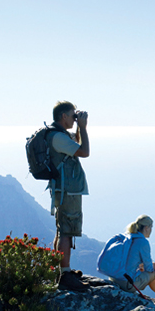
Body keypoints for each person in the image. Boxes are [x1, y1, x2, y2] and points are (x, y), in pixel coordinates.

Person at [98, 215, 155, 311]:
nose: (151, 230)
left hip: (115, 279)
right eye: (151, 227)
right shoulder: (143, 242)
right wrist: (154, 266)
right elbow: (149, 269)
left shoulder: (128, 237)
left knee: (153, 273)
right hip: (127, 284)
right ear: (146, 228)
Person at [47, 101, 90, 289]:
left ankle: (63, 270)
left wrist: (80, 129)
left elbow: (76, 144)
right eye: (72, 115)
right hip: (67, 190)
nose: (75, 118)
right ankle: (64, 275)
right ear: (63, 116)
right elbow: (84, 151)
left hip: (64, 188)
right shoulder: (58, 137)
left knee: (62, 228)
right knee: (66, 231)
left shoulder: (59, 135)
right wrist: (83, 127)